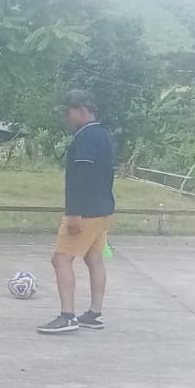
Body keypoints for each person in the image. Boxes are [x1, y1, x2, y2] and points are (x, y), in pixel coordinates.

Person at [38, 90, 116, 335]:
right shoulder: (102, 134)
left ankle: (67, 316)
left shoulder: (86, 137)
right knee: (94, 259)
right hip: (102, 209)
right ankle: (94, 314)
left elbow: (81, 178)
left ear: (82, 110)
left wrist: (74, 212)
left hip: (86, 211)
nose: (66, 117)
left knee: (60, 259)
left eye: (67, 112)